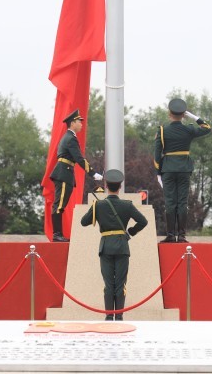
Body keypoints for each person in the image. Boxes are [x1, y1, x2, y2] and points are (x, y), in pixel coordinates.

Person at [80, 169, 148, 320]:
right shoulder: (127, 205)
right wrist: (130, 232)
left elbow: (83, 222)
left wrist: (95, 207)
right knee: (120, 284)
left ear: (106, 185)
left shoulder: (99, 205)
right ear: (120, 186)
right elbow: (143, 221)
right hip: (122, 246)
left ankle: (109, 316)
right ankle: (119, 317)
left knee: (108, 284)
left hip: (105, 247)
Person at [153, 98, 211, 243]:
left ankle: (171, 235)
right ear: (183, 115)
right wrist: (192, 116)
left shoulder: (162, 131)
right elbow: (207, 127)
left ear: (169, 113)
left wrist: (158, 172)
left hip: (168, 170)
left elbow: (156, 154)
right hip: (184, 169)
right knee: (182, 202)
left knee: (170, 202)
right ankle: (182, 236)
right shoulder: (189, 129)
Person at [49, 109, 103, 242]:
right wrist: (92, 173)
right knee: (59, 204)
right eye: (79, 121)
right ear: (72, 123)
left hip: (65, 172)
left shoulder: (69, 137)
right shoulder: (70, 138)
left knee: (60, 204)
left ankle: (58, 234)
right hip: (63, 173)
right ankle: (56, 235)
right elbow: (79, 158)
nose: (81, 124)